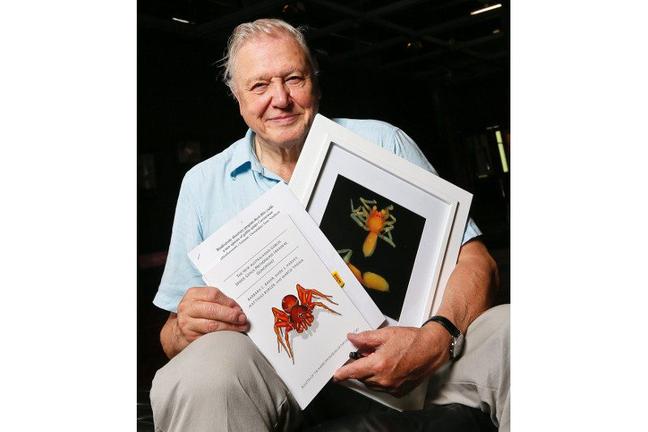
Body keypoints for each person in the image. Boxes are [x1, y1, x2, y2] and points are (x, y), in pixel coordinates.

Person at [150, 18, 509, 432]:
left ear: (315, 81)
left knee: (512, 331)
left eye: (293, 78)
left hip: (422, 361)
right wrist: (185, 327)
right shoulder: (203, 184)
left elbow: (477, 259)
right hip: (284, 384)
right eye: (259, 85)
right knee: (202, 370)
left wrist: (434, 339)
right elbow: (171, 336)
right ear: (237, 97)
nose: (280, 99)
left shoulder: (382, 141)